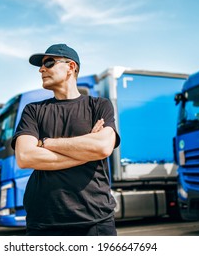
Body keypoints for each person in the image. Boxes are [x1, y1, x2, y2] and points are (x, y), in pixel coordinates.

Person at [11, 43, 120, 236]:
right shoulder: (33, 110)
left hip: (95, 222)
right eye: (42, 65)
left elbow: (102, 147)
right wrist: (87, 152)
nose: (41, 69)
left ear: (71, 67)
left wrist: (46, 142)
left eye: (49, 63)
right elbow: (25, 157)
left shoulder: (99, 106)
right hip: (43, 223)